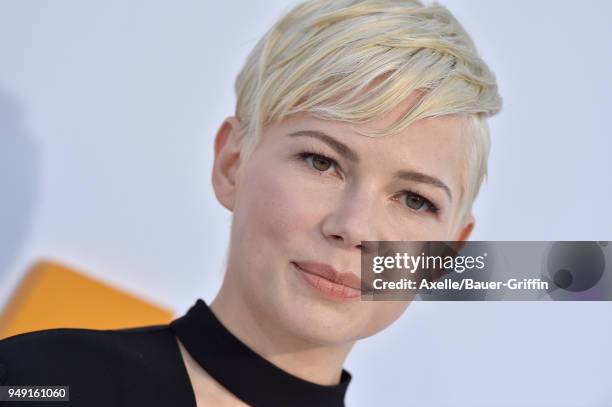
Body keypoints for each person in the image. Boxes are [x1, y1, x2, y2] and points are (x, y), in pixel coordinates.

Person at [0, 0, 501, 406]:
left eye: (414, 200)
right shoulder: (37, 382)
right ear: (231, 164)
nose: (353, 226)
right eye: (322, 162)